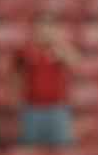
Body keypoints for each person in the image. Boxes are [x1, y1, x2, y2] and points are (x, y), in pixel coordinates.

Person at [14, 12, 79, 146]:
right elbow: (14, 74)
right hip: (32, 107)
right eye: (41, 26)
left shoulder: (60, 49)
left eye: (48, 26)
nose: (44, 30)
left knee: (62, 148)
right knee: (31, 148)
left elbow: (75, 63)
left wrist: (59, 45)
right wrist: (17, 98)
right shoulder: (25, 49)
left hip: (57, 107)